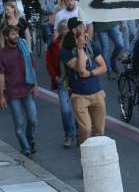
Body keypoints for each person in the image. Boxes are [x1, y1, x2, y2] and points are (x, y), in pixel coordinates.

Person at [61, 18, 107, 143]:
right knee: (86, 129)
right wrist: (80, 48)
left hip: (96, 92)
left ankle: (97, 158)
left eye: (83, 26)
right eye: (81, 26)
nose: (84, 28)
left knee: (99, 131)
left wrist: (91, 72)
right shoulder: (66, 50)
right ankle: (85, 152)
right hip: (79, 95)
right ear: (74, 29)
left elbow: (103, 67)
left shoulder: (91, 44)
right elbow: (81, 70)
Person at [0, 25, 39, 156]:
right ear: (6, 37)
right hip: (12, 93)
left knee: (33, 120)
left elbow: (31, 66)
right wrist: (1, 96)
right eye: (12, 34)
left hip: (27, 88)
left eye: (16, 33)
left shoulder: (23, 47)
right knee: (19, 123)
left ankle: (30, 139)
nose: (16, 36)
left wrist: (35, 84)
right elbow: (1, 76)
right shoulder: (2, 54)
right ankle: (25, 148)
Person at [45, 20, 76, 148]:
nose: (66, 31)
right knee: (65, 110)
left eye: (68, 29)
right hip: (62, 81)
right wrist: (55, 77)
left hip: (75, 80)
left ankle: (80, 132)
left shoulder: (75, 44)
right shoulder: (53, 45)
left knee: (78, 108)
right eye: (64, 29)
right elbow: (49, 62)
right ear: (60, 31)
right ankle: (69, 135)